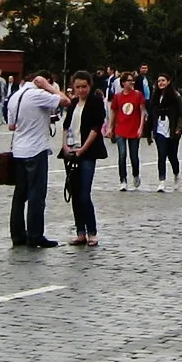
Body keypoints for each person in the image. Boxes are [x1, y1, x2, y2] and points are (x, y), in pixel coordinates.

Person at [4, 74, 64, 247]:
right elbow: (65, 101)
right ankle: (35, 235)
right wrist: (49, 87)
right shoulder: (38, 95)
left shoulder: (15, 96)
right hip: (36, 149)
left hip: (18, 150)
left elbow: (11, 126)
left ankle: (17, 235)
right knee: (36, 195)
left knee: (19, 195)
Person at [60, 72, 105, 246]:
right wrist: (65, 145)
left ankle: (92, 231)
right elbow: (66, 126)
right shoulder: (72, 104)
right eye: (78, 87)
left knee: (85, 194)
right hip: (71, 152)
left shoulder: (96, 102)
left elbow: (96, 128)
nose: (81, 90)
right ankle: (80, 232)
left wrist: (83, 149)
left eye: (84, 87)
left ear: (90, 86)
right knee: (75, 193)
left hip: (87, 152)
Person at [148, 75, 182, 191]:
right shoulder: (155, 97)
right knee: (161, 155)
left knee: (172, 156)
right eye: (159, 81)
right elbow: (151, 115)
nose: (161, 83)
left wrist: (179, 128)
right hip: (159, 128)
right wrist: (148, 132)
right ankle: (162, 180)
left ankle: (176, 174)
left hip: (172, 128)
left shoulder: (176, 96)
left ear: (168, 82)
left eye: (163, 80)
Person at [109, 75, 147, 189]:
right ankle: (123, 179)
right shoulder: (118, 96)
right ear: (123, 83)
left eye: (132, 81)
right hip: (121, 129)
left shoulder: (138, 95)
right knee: (122, 155)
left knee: (134, 156)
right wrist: (110, 127)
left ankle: (135, 174)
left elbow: (142, 112)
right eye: (129, 81)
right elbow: (113, 112)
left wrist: (141, 128)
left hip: (134, 128)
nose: (131, 83)